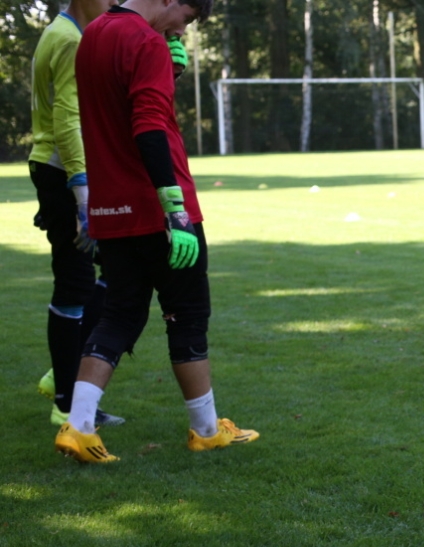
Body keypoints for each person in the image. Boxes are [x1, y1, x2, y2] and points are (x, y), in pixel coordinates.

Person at [54, 0, 259, 464]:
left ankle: (78, 425)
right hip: (157, 208)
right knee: (187, 314)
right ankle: (206, 430)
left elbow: (124, 106)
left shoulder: (92, 37)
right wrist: (175, 211)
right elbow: (148, 127)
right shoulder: (145, 41)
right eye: (184, 19)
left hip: (112, 207)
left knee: (119, 315)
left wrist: (169, 70)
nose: (181, 30)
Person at [28, 0, 125, 430]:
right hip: (63, 172)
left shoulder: (65, 32)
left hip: (59, 171)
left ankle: (62, 372)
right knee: (75, 280)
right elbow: (67, 121)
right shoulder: (68, 40)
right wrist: (82, 194)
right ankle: (66, 403)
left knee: (114, 271)